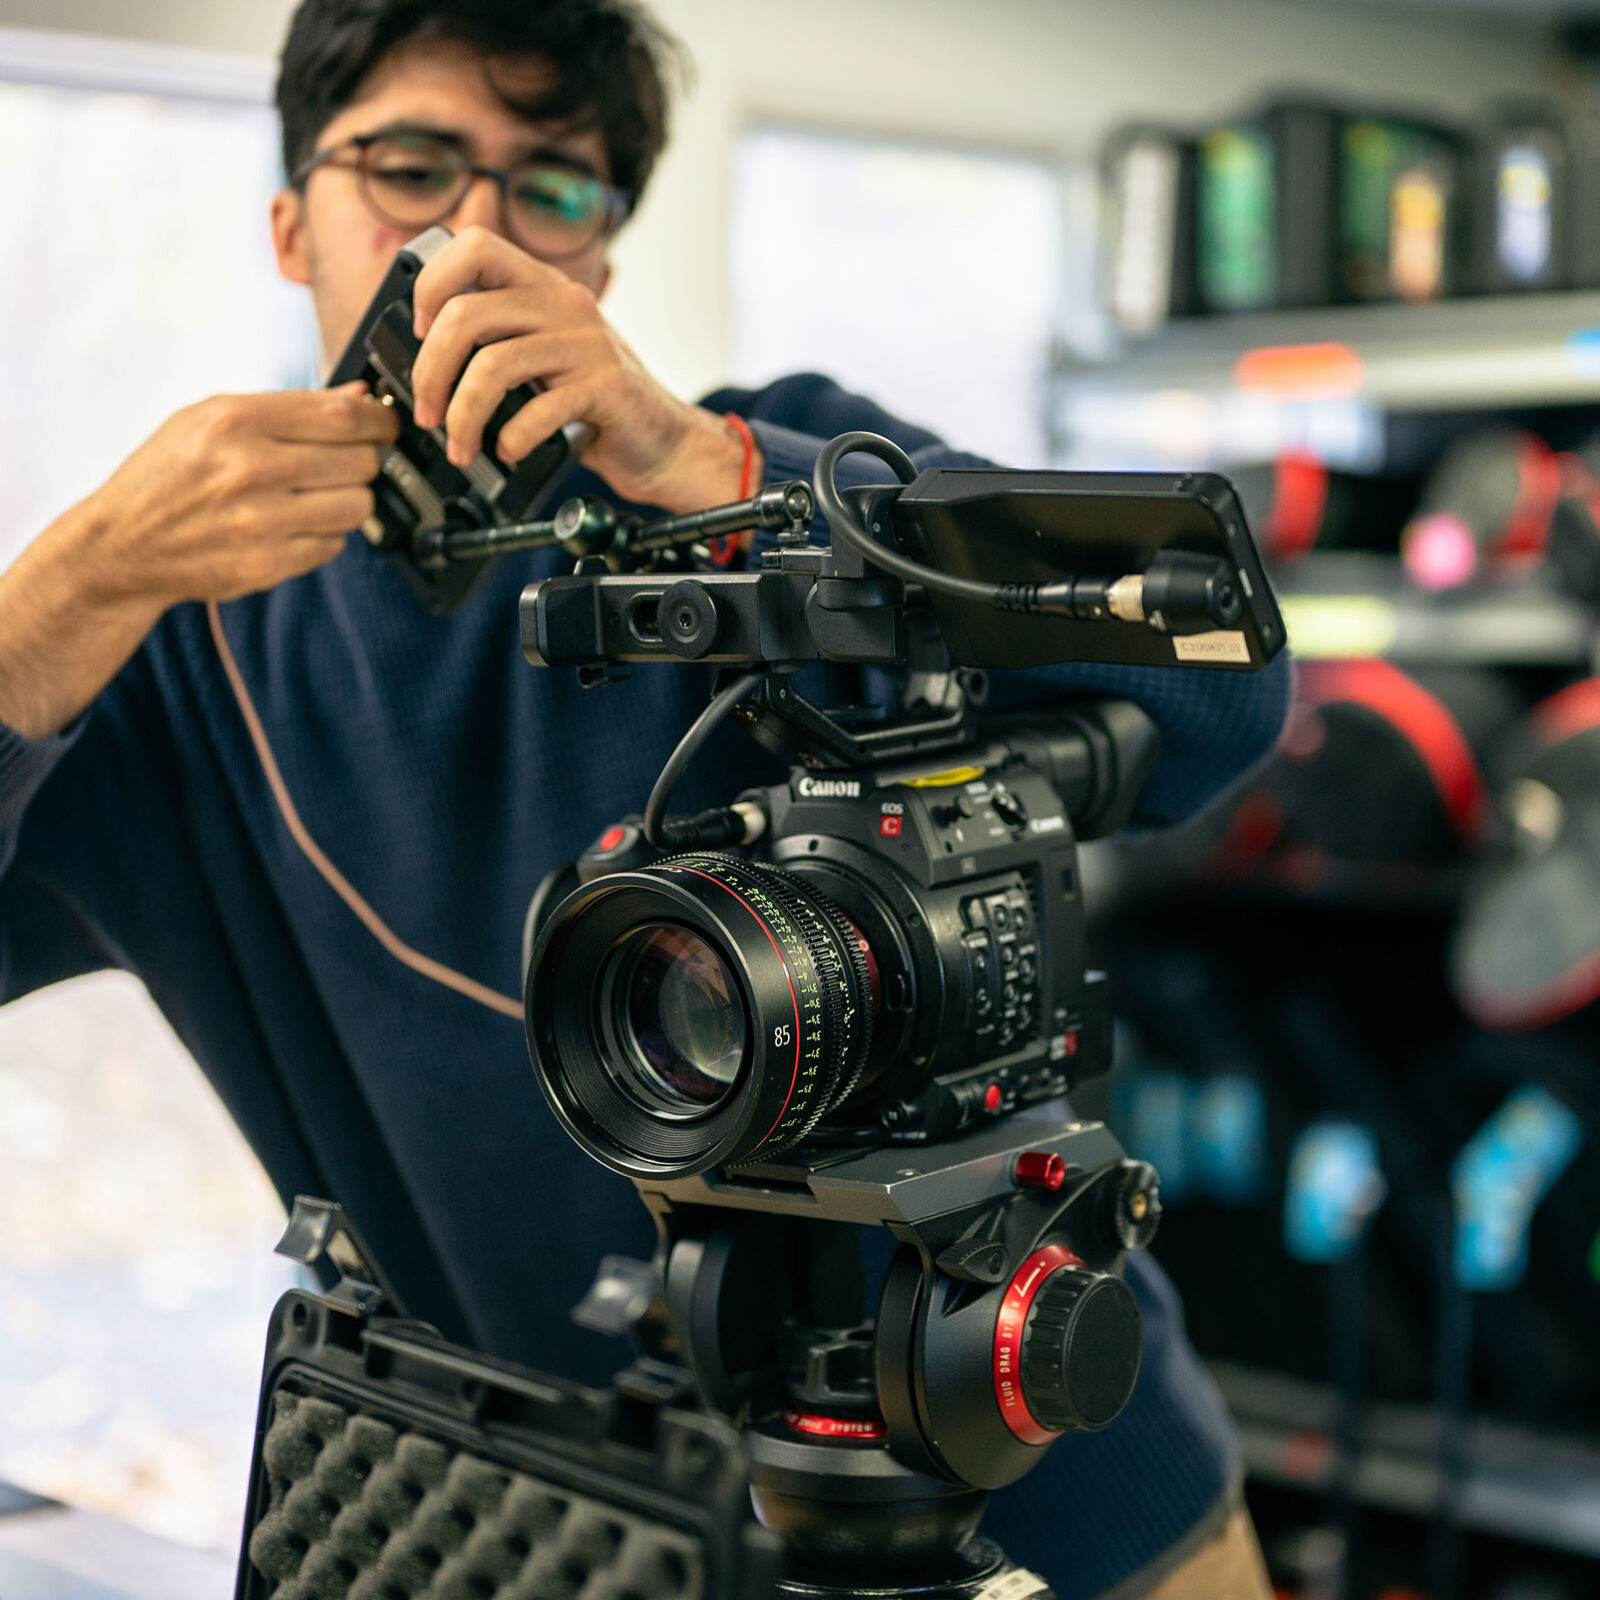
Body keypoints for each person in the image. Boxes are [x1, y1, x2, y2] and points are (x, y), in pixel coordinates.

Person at [0, 2, 1286, 1595]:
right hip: (577, 1532)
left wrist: (713, 465)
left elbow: (1222, 689)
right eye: (408, 169)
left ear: (600, 261)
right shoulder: (175, 662)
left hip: (1053, 1464)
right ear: (289, 225)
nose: (469, 242)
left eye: (552, 191)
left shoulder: (777, 481)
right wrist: (60, 592)